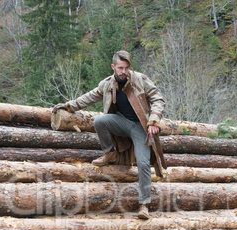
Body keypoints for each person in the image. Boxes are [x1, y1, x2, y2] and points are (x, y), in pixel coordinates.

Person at [53, 50, 167, 219]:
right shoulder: (107, 84)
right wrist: (69, 106)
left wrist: (154, 120)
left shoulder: (140, 79)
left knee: (143, 164)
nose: (124, 71)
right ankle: (110, 152)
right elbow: (90, 97)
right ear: (113, 67)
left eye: (126, 68)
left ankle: (144, 205)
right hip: (120, 122)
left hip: (140, 127)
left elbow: (158, 99)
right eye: (120, 68)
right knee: (100, 121)